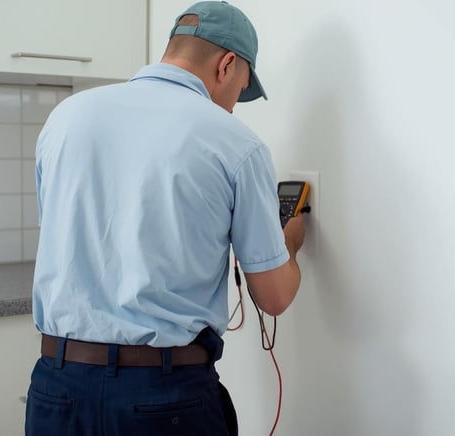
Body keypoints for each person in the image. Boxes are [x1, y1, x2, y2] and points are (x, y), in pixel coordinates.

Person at [25, 1, 306, 435]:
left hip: (57, 389)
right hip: (163, 397)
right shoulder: (236, 143)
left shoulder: (65, 119)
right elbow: (274, 298)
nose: (233, 106)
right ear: (227, 65)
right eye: (240, 90)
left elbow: (69, 239)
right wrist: (289, 242)